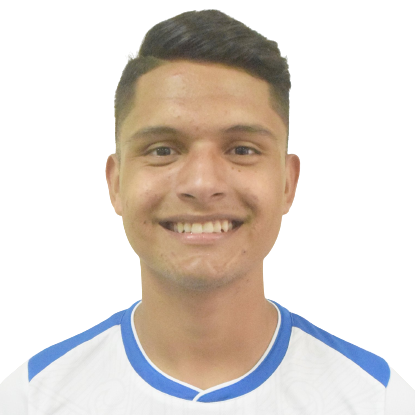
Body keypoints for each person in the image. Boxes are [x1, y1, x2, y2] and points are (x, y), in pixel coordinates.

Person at [1, 9, 414, 414]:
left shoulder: (378, 401)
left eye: (242, 149)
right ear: (116, 183)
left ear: (288, 183)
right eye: (163, 149)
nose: (202, 184)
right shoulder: (31, 399)